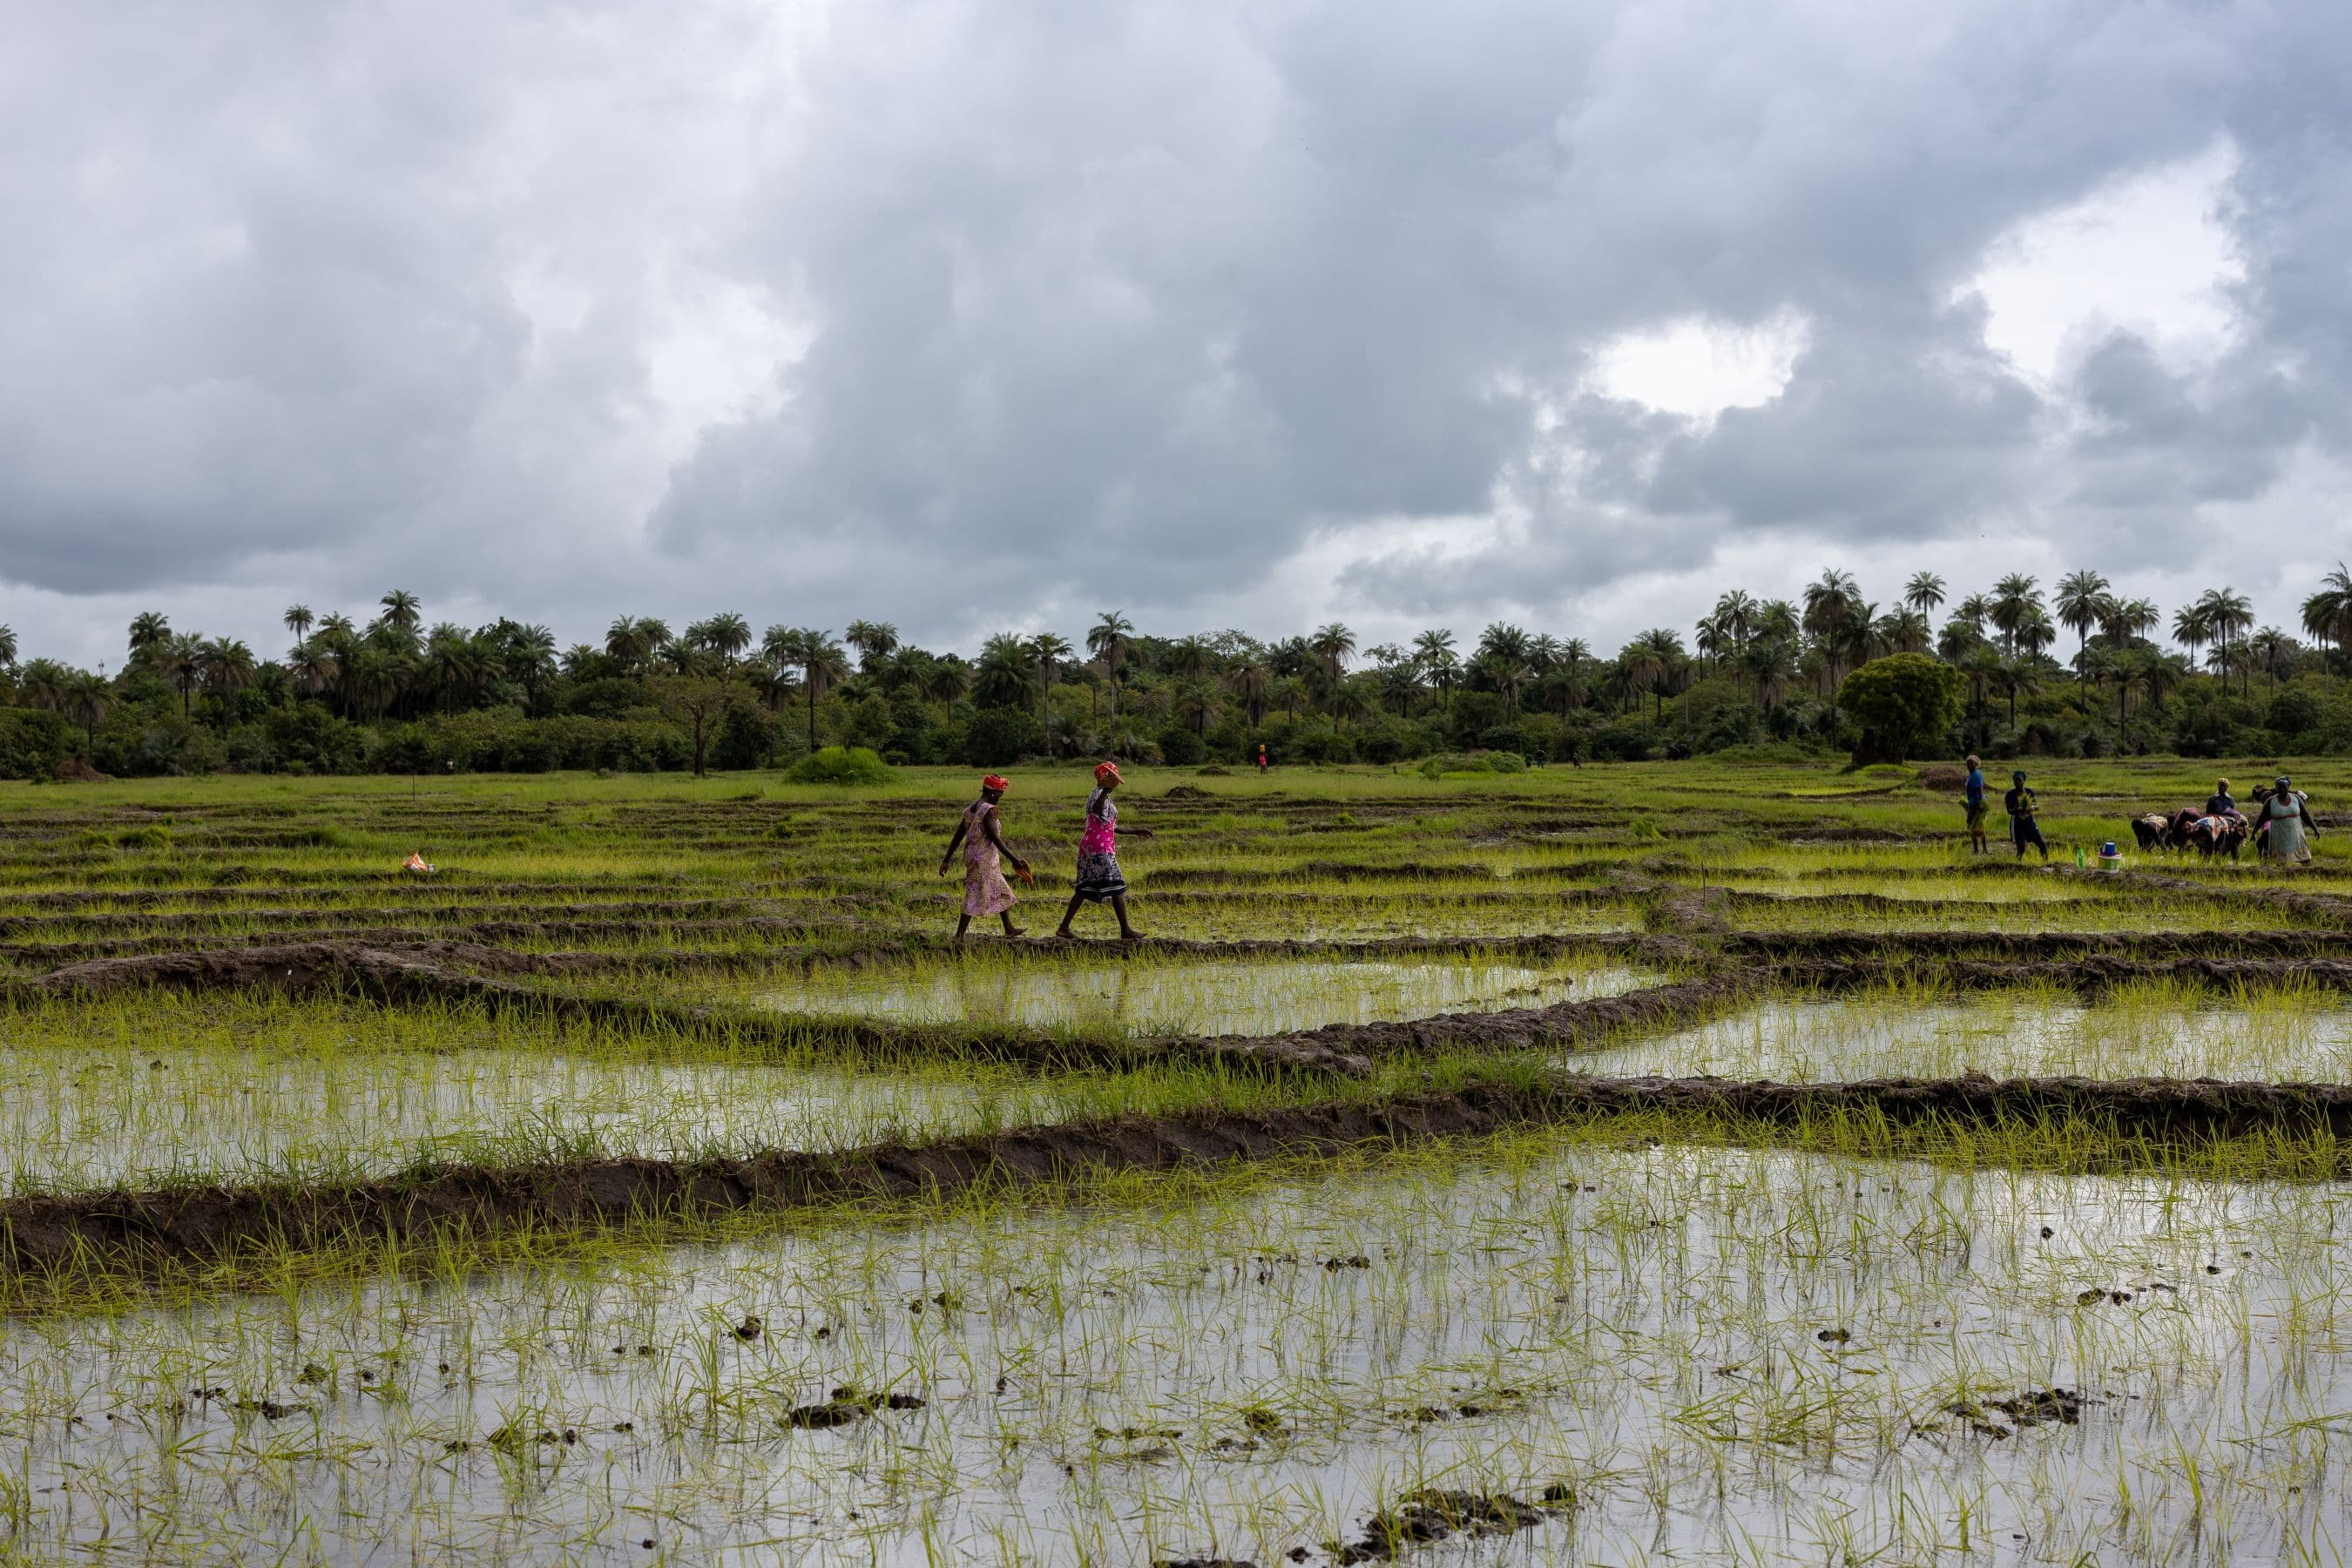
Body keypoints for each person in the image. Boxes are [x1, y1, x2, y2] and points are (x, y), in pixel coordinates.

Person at [1054, 760, 1154, 940]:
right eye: (1112, 778)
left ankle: (1064, 927)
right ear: (1105, 778)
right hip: (1098, 848)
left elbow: (1111, 825)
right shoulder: (1098, 794)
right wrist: (1106, 789)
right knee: (1117, 885)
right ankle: (1126, 930)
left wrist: (1135, 832)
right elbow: (1096, 809)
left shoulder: (1104, 796)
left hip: (1099, 845)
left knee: (1085, 888)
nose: (1115, 782)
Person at [939, 774, 1030, 939]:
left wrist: (947, 859)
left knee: (1000, 889)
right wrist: (1014, 859)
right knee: (973, 894)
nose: (1000, 798)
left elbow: (958, 836)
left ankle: (1009, 928)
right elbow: (995, 838)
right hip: (984, 860)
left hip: (976, 858)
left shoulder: (970, 810)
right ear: (993, 792)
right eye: (1000, 794)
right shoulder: (988, 810)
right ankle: (959, 936)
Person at [2258, 773, 2318, 865]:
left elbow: (2305, 814)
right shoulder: (2270, 800)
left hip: (2295, 832)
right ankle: (2278, 871)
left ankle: (2308, 871)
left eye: (2284, 787)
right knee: (2280, 859)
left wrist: (2315, 828)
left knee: (2303, 855)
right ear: (2276, 788)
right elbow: (2262, 817)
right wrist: (2254, 831)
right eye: (2279, 787)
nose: (2282, 789)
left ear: (2288, 787)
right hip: (2278, 831)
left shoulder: (2296, 798)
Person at [2004, 769, 2048, 862]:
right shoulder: (2010, 795)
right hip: (2017, 823)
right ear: (2013, 781)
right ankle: (2017, 864)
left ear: (2024, 781)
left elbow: (2037, 806)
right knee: (2022, 848)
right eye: (2016, 780)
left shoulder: (2029, 792)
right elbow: (2009, 811)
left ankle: (2046, 863)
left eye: (2020, 780)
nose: (2018, 782)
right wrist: (2017, 809)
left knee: (2042, 844)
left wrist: (2030, 808)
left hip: (2029, 822)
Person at [1962, 754, 1989, 854]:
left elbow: (1979, 790)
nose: (1970, 765)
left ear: (1976, 764)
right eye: (1969, 764)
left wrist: (1979, 804)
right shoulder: (1972, 774)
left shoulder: (1976, 775)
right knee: (1976, 825)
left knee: (1973, 825)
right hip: (1973, 802)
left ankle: (1979, 850)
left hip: (1976, 803)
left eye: (1972, 764)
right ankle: (1980, 850)